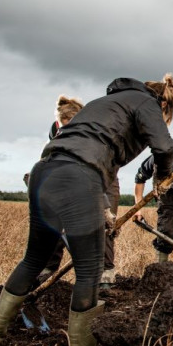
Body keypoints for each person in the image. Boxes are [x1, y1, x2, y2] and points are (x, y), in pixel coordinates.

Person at [0, 75, 173, 346]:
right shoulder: (147, 102)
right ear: (163, 102)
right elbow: (163, 146)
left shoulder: (105, 103)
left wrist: (102, 210)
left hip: (44, 172)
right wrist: (162, 176)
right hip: (78, 176)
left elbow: (90, 156)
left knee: (33, 259)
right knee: (90, 271)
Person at [37, 96, 122, 291]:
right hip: (72, 173)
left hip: (105, 176)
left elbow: (93, 173)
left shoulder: (94, 132)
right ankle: (48, 270)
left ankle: (105, 275)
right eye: (63, 126)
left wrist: (104, 206)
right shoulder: (56, 129)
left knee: (104, 224)